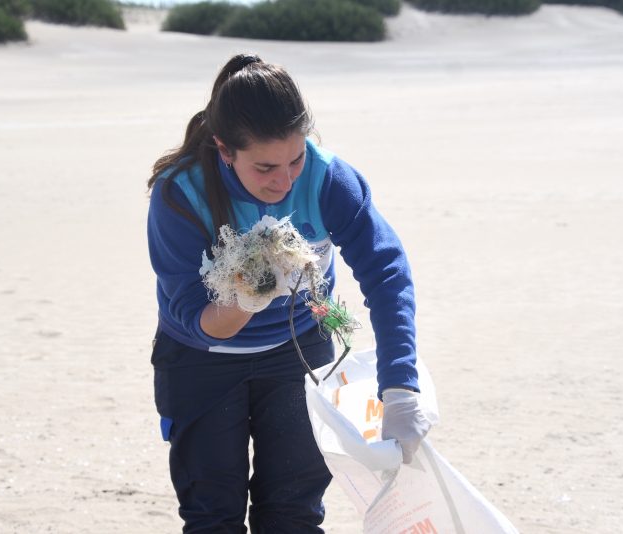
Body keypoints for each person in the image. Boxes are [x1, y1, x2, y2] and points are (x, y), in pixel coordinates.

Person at [147, 54, 431, 533]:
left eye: (295, 158)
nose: (283, 181)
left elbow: (386, 271)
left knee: (293, 514)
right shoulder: (180, 196)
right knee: (213, 515)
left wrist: (400, 385)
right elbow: (194, 314)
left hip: (300, 353)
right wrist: (247, 298)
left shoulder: (326, 180)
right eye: (264, 168)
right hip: (202, 360)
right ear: (224, 148)